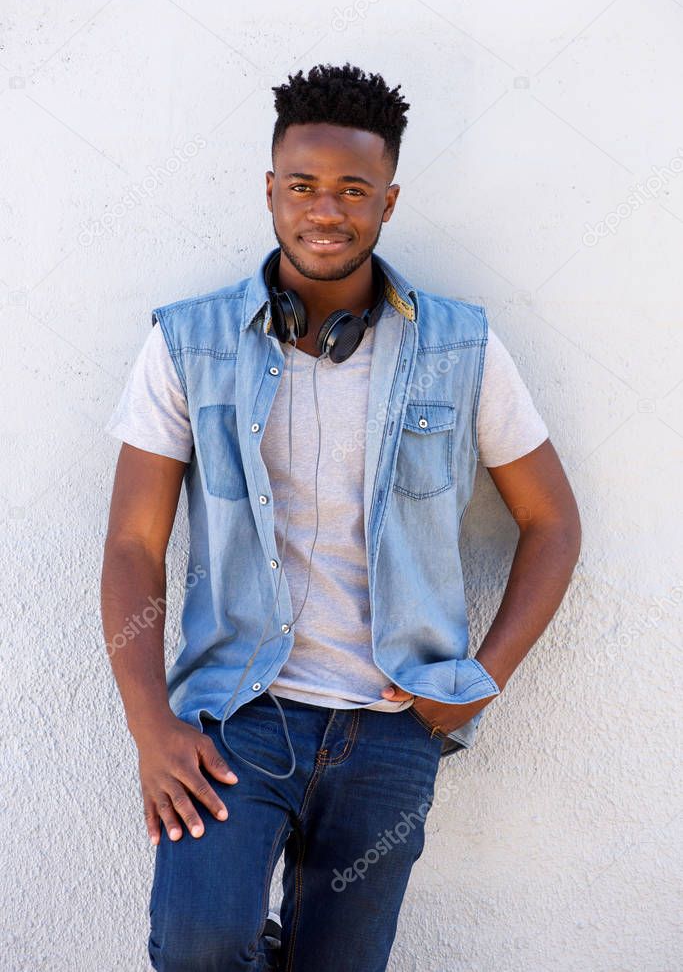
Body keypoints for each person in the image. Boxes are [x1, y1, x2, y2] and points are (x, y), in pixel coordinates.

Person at [101, 62, 581, 972]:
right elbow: (132, 544)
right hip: (236, 718)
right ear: (270, 192)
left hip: (390, 730)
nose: (326, 210)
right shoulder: (188, 341)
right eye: (304, 186)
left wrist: (484, 676)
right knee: (201, 947)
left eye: (352, 190)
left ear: (388, 202)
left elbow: (552, 521)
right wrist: (149, 725)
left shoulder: (459, 345)